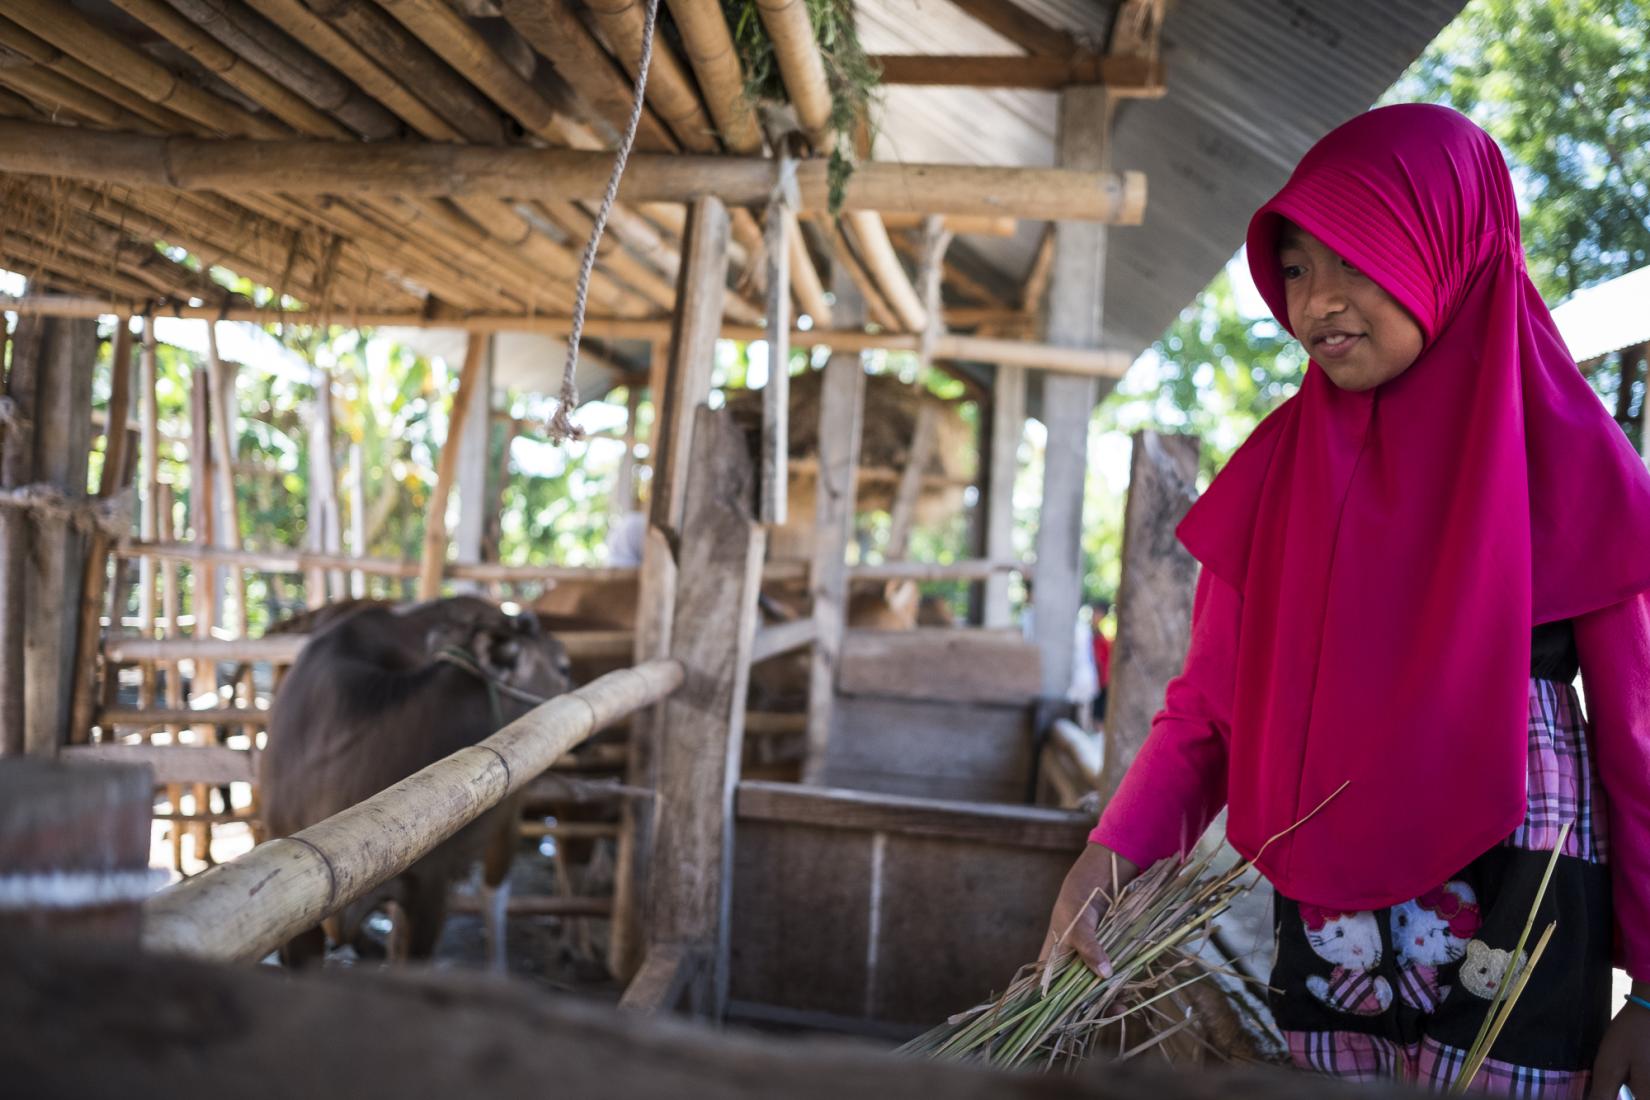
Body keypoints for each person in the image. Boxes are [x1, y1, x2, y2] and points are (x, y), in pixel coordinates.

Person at [1041, 104, 1650, 1097]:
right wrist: (1106, 860)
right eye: (1294, 267)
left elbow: (1638, 733)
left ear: (1452, 247)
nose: (1316, 301)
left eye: (1356, 260)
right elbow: (1210, 708)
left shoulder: (1573, 457)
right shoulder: (1279, 468)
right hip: (1326, 909)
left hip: (1525, 894)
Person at [1090, 599, 1113, 724]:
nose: (1095, 615)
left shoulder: (1103, 635)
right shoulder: (1091, 632)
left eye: (1097, 613)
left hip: (1103, 678)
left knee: (1099, 714)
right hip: (1095, 678)